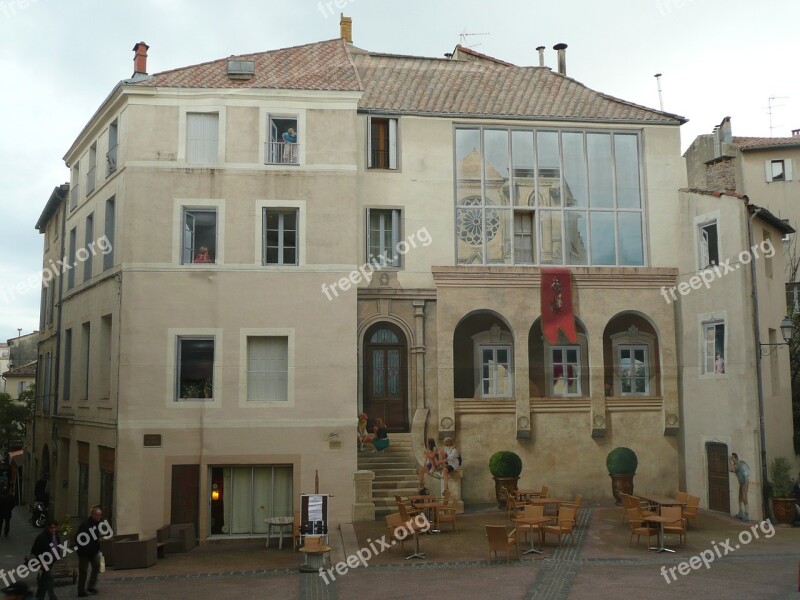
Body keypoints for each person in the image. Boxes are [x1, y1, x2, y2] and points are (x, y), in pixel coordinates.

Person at [76, 507, 105, 597]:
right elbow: (78, 538)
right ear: (93, 515)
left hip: (93, 551)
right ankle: (81, 590)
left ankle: (91, 586)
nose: (100, 517)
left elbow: (96, 536)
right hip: (84, 552)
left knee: (96, 566)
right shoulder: (85, 525)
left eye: (100, 515)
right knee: (83, 571)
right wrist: (82, 548)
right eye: (98, 515)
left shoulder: (98, 524)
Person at [31, 520, 60, 600]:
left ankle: (39, 597)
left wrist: (57, 556)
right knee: (50, 577)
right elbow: (35, 550)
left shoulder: (56, 535)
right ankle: (52, 597)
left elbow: (57, 546)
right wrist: (41, 561)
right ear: (48, 528)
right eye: (52, 528)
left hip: (51, 560)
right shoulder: (42, 537)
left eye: (55, 528)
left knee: (44, 580)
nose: (53, 529)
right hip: (44, 562)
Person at [729, 453, 750, 521]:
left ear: (736, 458)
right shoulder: (735, 465)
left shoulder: (738, 464)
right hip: (741, 483)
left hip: (745, 482)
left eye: (733, 458)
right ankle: (740, 512)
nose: (732, 459)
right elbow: (730, 470)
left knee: (744, 497)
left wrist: (729, 461)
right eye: (732, 458)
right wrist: (730, 463)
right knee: (740, 497)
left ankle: (747, 514)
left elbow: (732, 469)